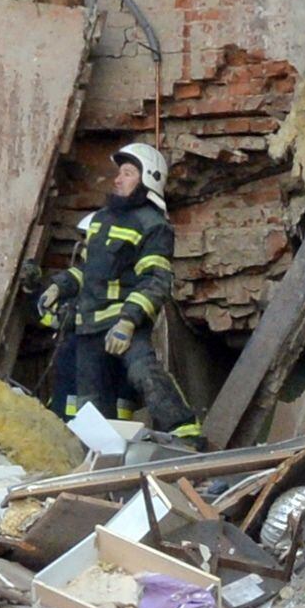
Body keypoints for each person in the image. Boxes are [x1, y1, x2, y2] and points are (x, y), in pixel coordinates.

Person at [37, 138, 197, 437]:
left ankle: (186, 434)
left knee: (144, 374)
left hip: (123, 325)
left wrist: (128, 321)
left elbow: (155, 279)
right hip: (88, 327)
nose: (118, 179)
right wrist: (59, 287)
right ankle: (100, 458)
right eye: (119, 173)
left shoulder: (153, 225)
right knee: (90, 403)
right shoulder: (101, 220)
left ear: (148, 177)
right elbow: (87, 270)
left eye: (127, 173)